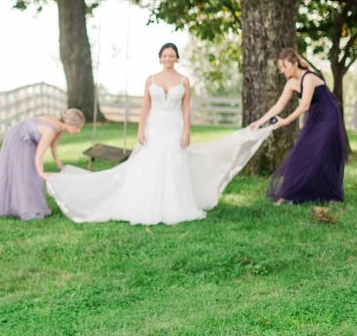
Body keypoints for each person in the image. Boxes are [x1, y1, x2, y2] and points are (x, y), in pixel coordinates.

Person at [46, 43, 273, 225]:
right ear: (160, 58)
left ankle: (174, 207)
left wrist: (187, 131)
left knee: (173, 163)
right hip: (154, 126)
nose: (168, 59)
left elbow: (186, 108)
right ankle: (144, 204)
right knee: (149, 163)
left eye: (171, 55)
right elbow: (145, 107)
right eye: (164, 55)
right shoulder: (151, 80)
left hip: (173, 125)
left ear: (176, 58)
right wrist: (140, 130)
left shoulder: (184, 81)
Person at [249, 48, 348, 204]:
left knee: (324, 151)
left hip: (328, 115)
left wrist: (285, 121)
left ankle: (331, 195)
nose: (282, 71)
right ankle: (288, 195)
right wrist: (259, 122)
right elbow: (278, 106)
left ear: (295, 63)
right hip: (314, 117)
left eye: (285, 66)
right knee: (301, 152)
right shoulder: (291, 83)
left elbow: (304, 106)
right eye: (280, 68)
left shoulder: (309, 77)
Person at [0, 108, 86, 220]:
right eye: (78, 127)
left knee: (28, 173)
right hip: (19, 137)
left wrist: (57, 162)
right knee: (27, 173)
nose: (78, 131)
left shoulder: (60, 127)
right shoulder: (51, 130)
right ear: (70, 124)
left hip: (27, 137)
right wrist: (41, 172)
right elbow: (39, 154)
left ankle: (24, 206)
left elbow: (53, 145)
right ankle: (27, 209)